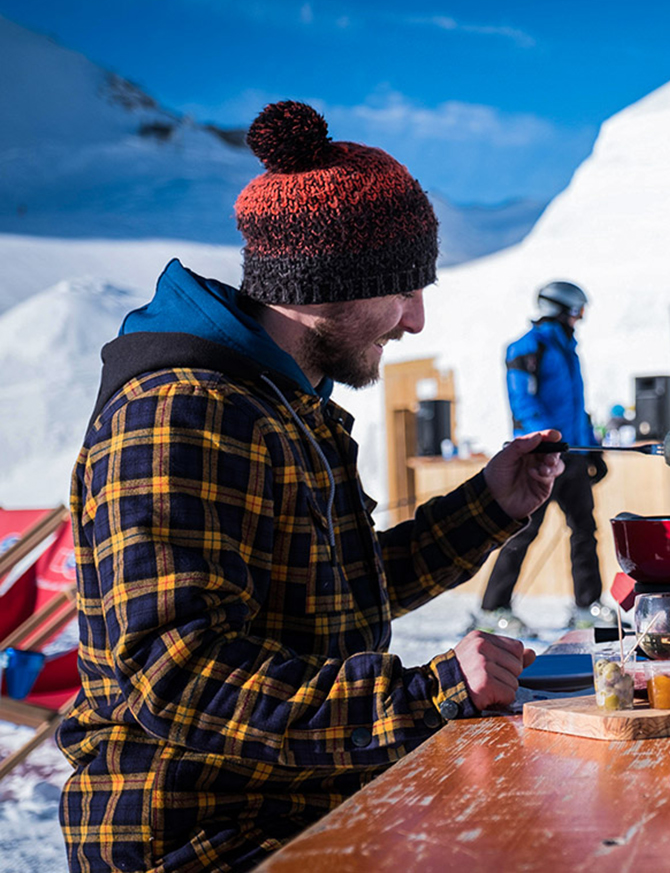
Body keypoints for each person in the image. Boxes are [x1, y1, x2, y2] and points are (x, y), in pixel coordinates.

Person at [58, 101, 564, 873]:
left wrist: (489, 505)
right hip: (196, 840)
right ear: (327, 281)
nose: (415, 319)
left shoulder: (282, 407)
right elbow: (178, 674)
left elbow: (334, 592)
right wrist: (425, 694)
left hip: (299, 811)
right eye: (403, 288)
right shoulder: (182, 412)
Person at [475, 282, 615, 635]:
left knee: (585, 531)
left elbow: (576, 407)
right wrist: (546, 444)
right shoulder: (528, 347)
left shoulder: (568, 349)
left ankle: (587, 605)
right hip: (542, 458)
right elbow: (523, 403)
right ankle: (492, 608)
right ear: (562, 309)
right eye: (578, 311)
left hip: (573, 456)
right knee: (524, 531)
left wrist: (591, 449)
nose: (580, 318)